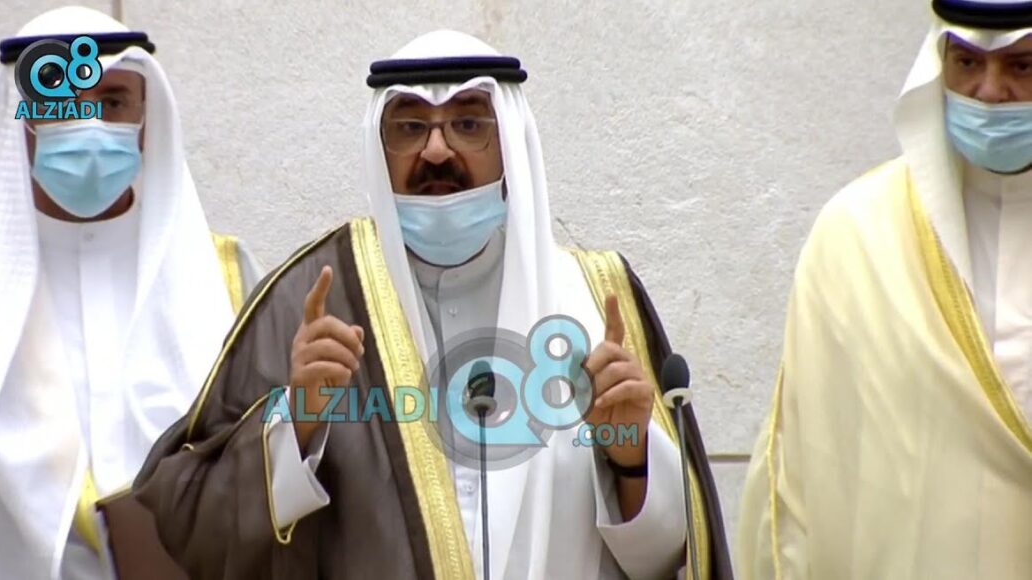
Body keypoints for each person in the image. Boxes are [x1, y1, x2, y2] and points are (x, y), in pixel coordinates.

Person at [133, 30, 733, 580]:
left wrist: (631, 460)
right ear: (380, 146)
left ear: (511, 144)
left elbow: (674, 556)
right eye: (410, 127)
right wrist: (298, 424)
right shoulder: (311, 298)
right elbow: (190, 522)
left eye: (468, 124)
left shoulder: (597, 299)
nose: (438, 151)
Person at [0, 6, 262, 580]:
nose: (89, 124)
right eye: (61, 102)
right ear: (20, 118)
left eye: (113, 100)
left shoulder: (224, 279)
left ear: (145, 116)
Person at [736, 1, 1032, 578]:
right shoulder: (856, 234)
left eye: (1021, 66)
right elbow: (800, 476)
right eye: (967, 62)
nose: (989, 92)